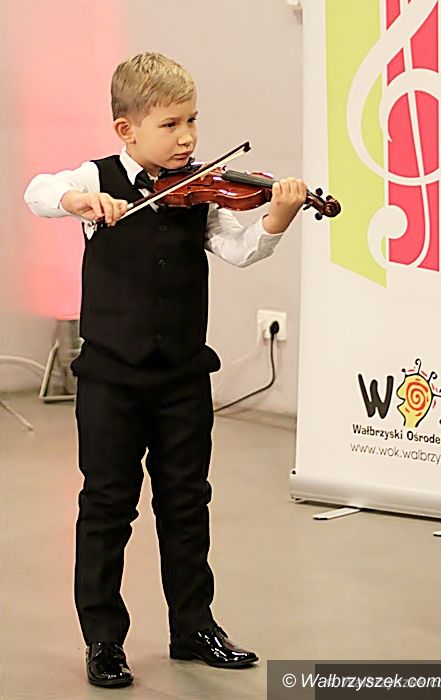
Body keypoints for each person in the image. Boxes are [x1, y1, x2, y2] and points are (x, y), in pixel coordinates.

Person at [24, 51, 307, 688]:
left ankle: (194, 627)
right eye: (171, 124)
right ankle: (103, 640)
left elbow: (240, 249)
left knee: (187, 503)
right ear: (127, 130)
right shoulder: (96, 179)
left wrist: (277, 218)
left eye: (193, 121)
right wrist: (78, 200)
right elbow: (37, 192)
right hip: (110, 380)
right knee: (107, 506)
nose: (187, 138)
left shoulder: (199, 189)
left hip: (182, 378)